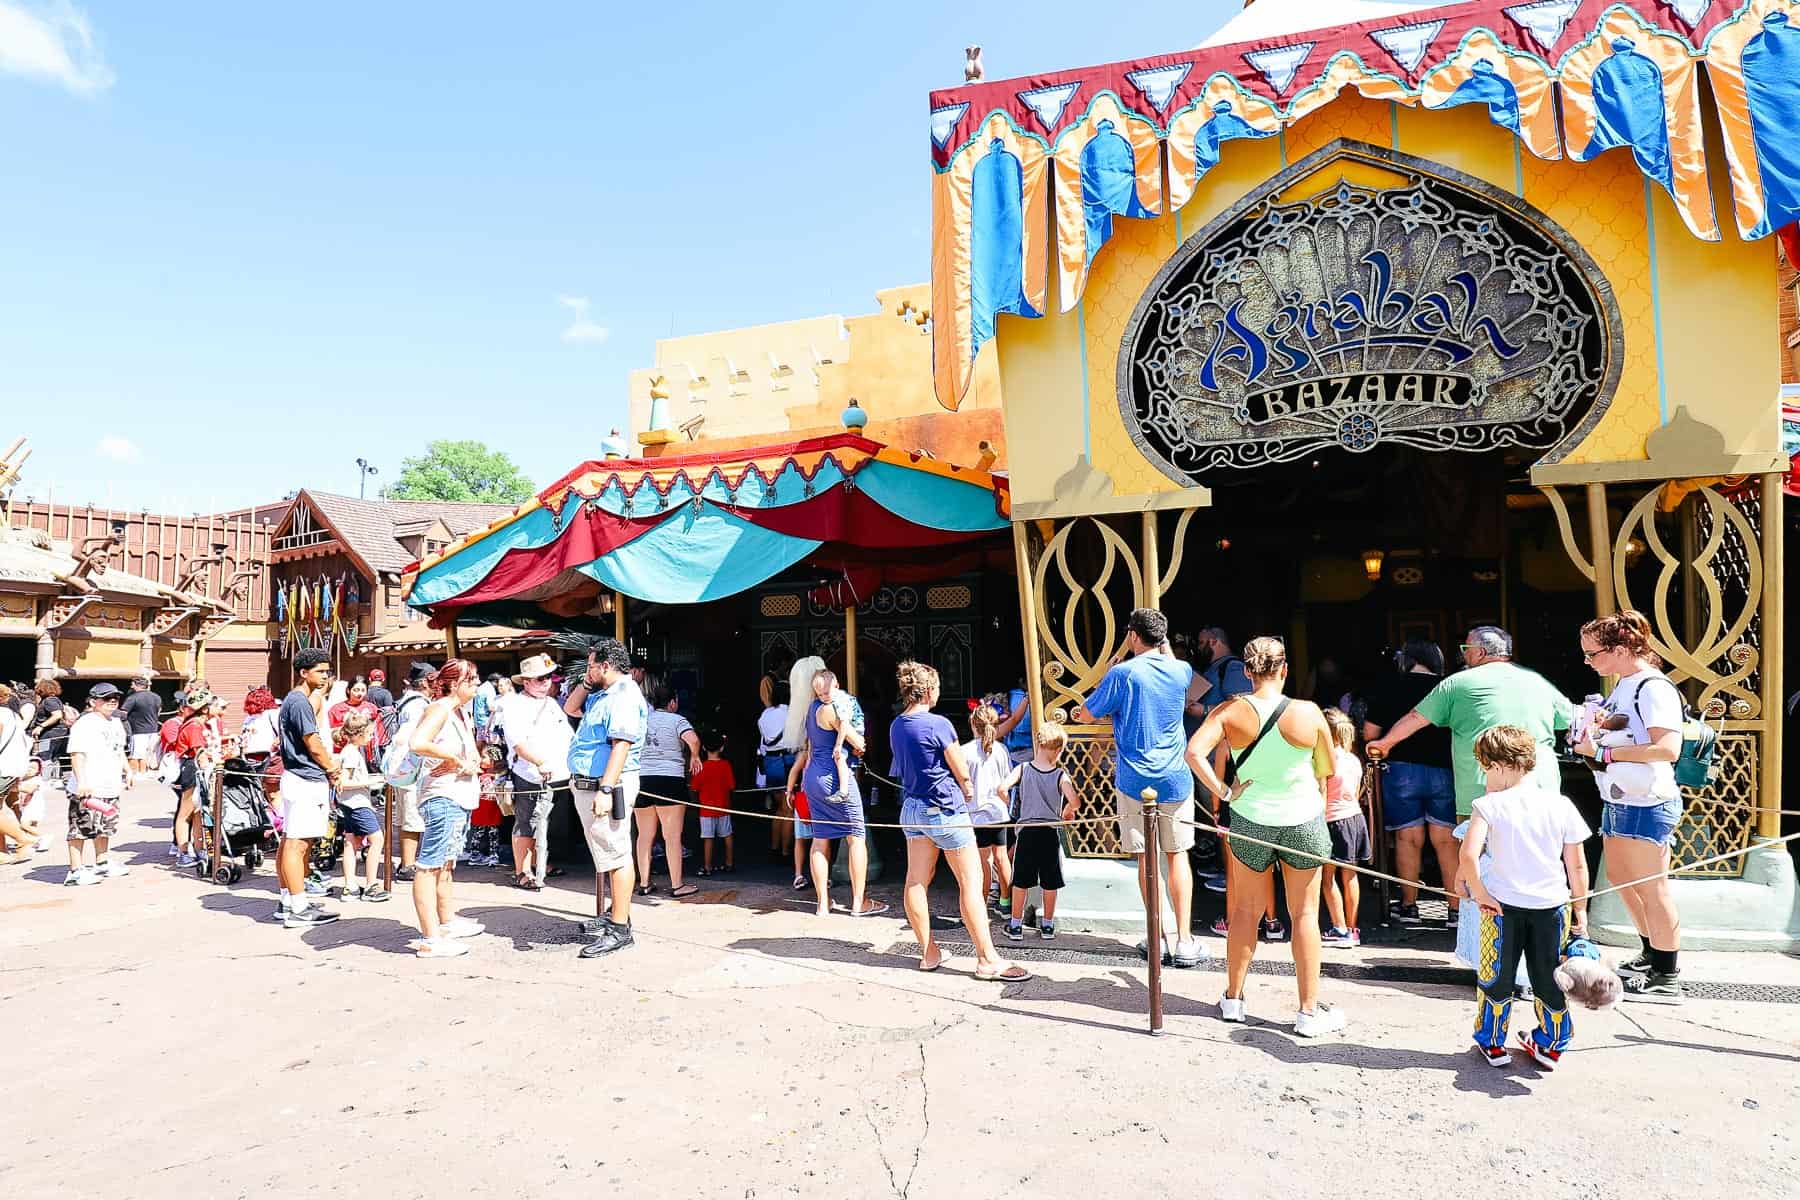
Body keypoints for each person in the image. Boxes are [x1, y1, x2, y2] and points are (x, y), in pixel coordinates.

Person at [1185, 636, 1347, 1037]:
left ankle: (1234, 999)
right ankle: (1308, 1011)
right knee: (1305, 915)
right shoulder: (1309, 713)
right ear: (1285, 669)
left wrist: (1224, 792)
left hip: (1251, 819)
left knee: (1245, 912)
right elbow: (1326, 772)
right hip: (1303, 820)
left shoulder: (1228, 711)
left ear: (1246, 671)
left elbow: (1193, 753)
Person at [1073, 606, 1204, 969]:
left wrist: (1115, 660)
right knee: (1178, 856)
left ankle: (1157, 936)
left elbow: (1086, 714)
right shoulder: (1181, 670)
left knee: (1146, 860)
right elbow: (1173, 665)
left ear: (1132, 636)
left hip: (1134, 779)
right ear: (1163, 639)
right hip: (1176, 777)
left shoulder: (1122, 674)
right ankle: (1185, 940)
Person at [1571, 610, 1685, 1004]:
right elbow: (1625, 727)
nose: (1588, 661)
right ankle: (1652, 951)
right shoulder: (1626, 683)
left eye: (1593, 654)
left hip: (1646, 799)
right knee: (1621, 876)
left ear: (1620, 650)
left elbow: (1668, 749)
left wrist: (1604, 751)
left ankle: (1667, 974)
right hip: (1621, 796)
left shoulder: (1654, 687)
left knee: (1653, 889)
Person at [1461, 726, 1591, 1069]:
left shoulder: (1488, 805)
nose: (1485, 775)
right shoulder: (1561, 805)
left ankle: (1493, 1042)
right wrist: (1580, 908)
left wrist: (1481, 893)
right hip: (1552, 907)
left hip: (1501, 908)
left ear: (1500, 766)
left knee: (1496, 975)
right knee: (1549, 977)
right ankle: (1551, 1043)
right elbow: (1576, 865)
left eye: (1486, 767)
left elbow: (1468, 856)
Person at [893, 661, 1030, 981]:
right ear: (928, 691)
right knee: (970, 882)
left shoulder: (897, 725)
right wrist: (967, 787)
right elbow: (961, 769)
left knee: (916, 880)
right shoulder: (938, 724)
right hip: (945, 809)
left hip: (913, 807)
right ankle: (986, 958)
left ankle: (929, 953)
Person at [1362, 639, 1459, 926]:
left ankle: (1408, 907)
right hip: (1445, 769)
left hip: (1401, 770)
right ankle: (1456, 909)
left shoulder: (1389, 684)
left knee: (1407, 838)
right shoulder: (1451, 686)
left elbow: (1370, 733)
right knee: (1446, 841)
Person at [565, 637, 646, 959]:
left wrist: (606, 789)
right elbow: (570, 707)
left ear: (606, 666)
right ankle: (616, 915)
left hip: (606, 784)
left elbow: (621, 746)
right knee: (608, 852)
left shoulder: (623, 697)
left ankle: (620, 928)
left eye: (590, 665)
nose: (587, 671)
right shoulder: (605, 693)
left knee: (616, 854)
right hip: (592, 782)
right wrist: (587, 680)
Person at [787, 666, 886, 918]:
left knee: (820, 839)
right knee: (855, 836)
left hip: (812, 777)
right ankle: (858, 901)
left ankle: (822, 904)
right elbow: (859, 742)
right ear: (837, 684)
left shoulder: (810, 708)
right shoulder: (833, 709)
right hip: (835, 776)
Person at [406, 659, 485, 957]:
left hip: (458, 795)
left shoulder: (458, 712)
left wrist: (470, 762)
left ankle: (446, 922)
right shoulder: (439, 707)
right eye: (471, 679)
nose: (477, 684)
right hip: (443, 797)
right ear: (453, 683)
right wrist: (452, 758)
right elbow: (418, 742)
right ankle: (431, 938)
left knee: (446, 863)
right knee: (430, 865)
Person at [274, 650, 341, 928]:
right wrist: (331, 768)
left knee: (293, 840)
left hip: (297, 777)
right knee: (297, 843)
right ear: (304, 672)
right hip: (305, 777)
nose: (325, 676)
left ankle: (289, 900)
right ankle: (298, 907)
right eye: (320, 671)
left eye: (327, 671)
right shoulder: (300, 701)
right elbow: (312, 742)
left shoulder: (295, 699)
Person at [1000, 721, 1080, 941]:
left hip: (1027, 831)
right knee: (1050, 880)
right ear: (1058, 749)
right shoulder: (1060, 775)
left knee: (1021, 880)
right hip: (1049, 832)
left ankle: (1015, 925)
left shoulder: (1023, 769)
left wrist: (1011, 806)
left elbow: (1001, 788)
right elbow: (1075, 801)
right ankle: (1047, 925)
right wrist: (1066, 812)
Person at [501, 653, 572, 892]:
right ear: (526, 681)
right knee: (527, 821)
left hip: (558, 774)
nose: (546, 682)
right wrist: (540, 761)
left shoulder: (551, 704)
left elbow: (567, 736)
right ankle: (522, 871)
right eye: (540, 678)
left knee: (546, 821)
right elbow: (517, 743)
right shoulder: (514, 705)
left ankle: (537, 863)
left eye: (548, 677)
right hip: (531, 773)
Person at [635, 676, 700, 899]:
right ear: (672, 702)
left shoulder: (642, 720)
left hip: (642, 778)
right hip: (670, 779)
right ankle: (677, 884)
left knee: (644, 835)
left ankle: (644, 883)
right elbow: (692, 738)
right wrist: (694, 755)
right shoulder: (677, 720)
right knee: (672, 836)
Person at [64, 683, 130, 885]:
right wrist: (82, 781)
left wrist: (127, 769)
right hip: (89, 786)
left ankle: (102, 862)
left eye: (115, 698)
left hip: (110, 784)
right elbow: (76, 754)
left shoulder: (116, 722)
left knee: (105, 826)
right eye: (106, 698)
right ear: (93, 701)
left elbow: (118, 749)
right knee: (81, 827)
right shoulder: (85, 724)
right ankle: (75, 870)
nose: (112, 701)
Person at [1320, 707, 1369, 948]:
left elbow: (1322, 794)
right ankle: (1352, 928)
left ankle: (1339, 928)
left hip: (1332, 820)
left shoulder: (1325, 759)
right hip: (1355, 819)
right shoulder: (1353, 759)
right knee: (1351, 876)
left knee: (1327, 878)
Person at [960, 705, 1013, 914]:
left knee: (982, 861)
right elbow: (1008, 778)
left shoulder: (965, 751)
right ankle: (1006, 901)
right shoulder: (1002, 749)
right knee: (1001, 857)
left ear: (974, 724)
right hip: (999, 811)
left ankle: (980, 903)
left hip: (976, 814)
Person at [332, 711, 389, 902]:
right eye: (370, 734)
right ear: (359, 734)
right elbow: (343, 782)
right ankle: (371, 884)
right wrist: (368, 782)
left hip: (349, 805)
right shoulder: (351, 754)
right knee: (377, 840)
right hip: (358, 804)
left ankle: (350, 886)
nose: (372, 737)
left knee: (351, 842)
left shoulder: (349, 752)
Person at [391, 664, 434, 881]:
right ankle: (408, 865)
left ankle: (407, 862)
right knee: (411, 818)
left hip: (403, 768)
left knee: (407, 817)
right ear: (426, 681)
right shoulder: (418, 706)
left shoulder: (407, 701)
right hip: (411, 767)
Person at [165, 691, 214, 868]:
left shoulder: (199, 724)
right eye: (214, 704)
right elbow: (199, 753)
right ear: (205, 708)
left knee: (198, 812)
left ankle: (199, 849)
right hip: (192, 770)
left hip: (196, 769)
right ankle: (183, 852)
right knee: (186, 812)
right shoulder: (194, 726)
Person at [756, 674, 794, 861]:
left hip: (771, 763)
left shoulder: (765, 715)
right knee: (789, 809)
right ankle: (786, 852)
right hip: (786, 761)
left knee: (779, 808)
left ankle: (774, 847)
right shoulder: (790, 713)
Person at [693, 731, 735, 875]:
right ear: (722, 748)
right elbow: (731, 786)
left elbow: (695, 788)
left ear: (704, 748)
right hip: (724, 807)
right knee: (727, 835)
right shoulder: (726, 765)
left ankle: (707, 867)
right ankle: (729, 863)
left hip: (706, 810)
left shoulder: (701, 767)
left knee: (708, 838)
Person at [328, 676, 385, 753]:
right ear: (348, 690)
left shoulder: (372, 708)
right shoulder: (336, 709)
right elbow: (330, 732)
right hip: (343, 751)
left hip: (368, 753)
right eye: (356, 690)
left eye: (363, 690)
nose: (360, 694)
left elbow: (379, 730)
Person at [120, 676, 161, 783]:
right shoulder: (156, 697)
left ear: (135, 685)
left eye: (132, 684)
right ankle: (144, 773)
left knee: (136, 754)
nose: (131, 686)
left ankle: (135, 773)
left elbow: (123, 714)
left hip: (138, 730)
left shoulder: (133, 698)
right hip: (153, 729)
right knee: (148, 752)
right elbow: (159, 711)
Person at [27, 678, 71, 775]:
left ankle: (46, 778)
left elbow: (57, 715)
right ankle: (54, 777)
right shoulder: (55, 700)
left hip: (49, 734)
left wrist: (40, 726)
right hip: (58, 733)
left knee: (44, 756)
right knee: (54, 757)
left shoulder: (49, 701)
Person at [239, 686, 280, 768]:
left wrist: (277, 742)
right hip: (248, 756)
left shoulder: (272, 713)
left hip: (267, 756)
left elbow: (283, 732)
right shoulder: (249, 718)